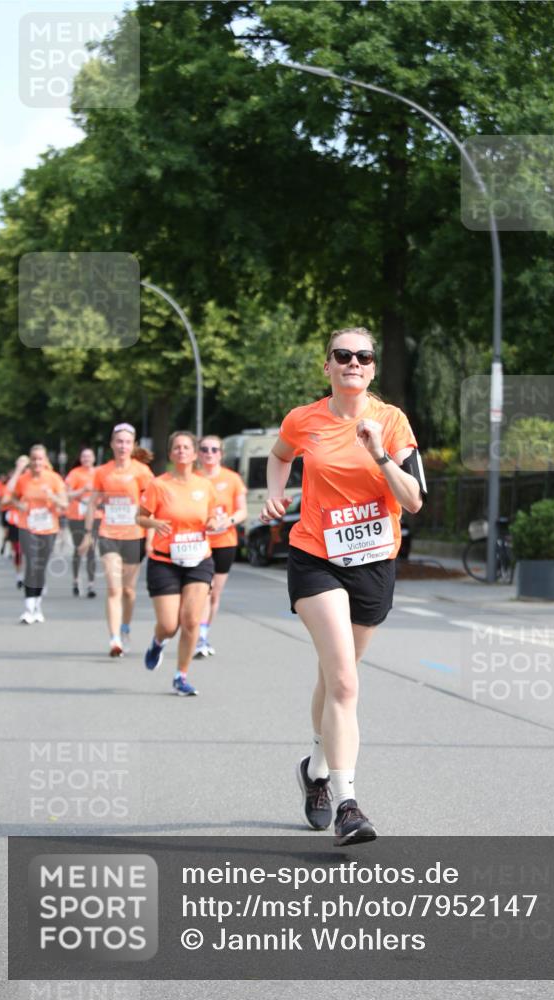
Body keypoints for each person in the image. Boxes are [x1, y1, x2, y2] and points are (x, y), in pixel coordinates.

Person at [260, 327, 425, 846]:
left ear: (373, 369)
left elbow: (415, 500)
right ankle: (346, 804)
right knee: (346, 683)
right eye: (343, 355)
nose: (354, 362)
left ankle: (313, 767)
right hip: (316, 557)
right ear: (327, 365)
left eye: (364, 356)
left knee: (337, 678)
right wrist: (274, 492)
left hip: (374, 561)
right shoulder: (303, 420)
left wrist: (379, 454)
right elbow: (280, 454)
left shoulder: (392, 422)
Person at [137, 431, 220, 696]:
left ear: (194, 454)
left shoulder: (204, 486)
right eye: (177, 448)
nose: (182, 451)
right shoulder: (159, 485)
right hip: (165, 561)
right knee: (169, 624)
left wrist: (213, 522)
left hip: (199, 559)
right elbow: (140, 517)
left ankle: (181, 676)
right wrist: (153, 523)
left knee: (191, 620)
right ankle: (158, 641)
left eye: (186, 447)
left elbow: (213, 515)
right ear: (171, 454)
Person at [79, 423, 153, 657]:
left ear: (133, 446)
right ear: (112, 444)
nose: (122, 446)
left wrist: (150, 539)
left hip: (134, 536)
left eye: (127, 442)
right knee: (113, 588)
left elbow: (152, 506)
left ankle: (125, 628)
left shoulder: (142, 472)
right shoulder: (102, 472)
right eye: (118, 441)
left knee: (129, 591)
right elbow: (92, 504)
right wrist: (88, 535)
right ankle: (114, 640)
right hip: (109, 535)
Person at [194, 435, 247, 657]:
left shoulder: (232, 478)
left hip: (225, 541)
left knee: (215, 593)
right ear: (198, 453)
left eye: (214, 449)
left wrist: (230, 521)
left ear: (221, 454)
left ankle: (204, 634)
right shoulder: (193, 478)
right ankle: (199, 637)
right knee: (203, 591)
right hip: (199, 542)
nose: (209, 453)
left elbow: (242, 511)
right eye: (204, 449)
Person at [5, 446, 68, 623]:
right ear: (30, 461)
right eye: (34, 459)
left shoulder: (54, 479)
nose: (37, 462)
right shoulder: (23, 480)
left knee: (40, 566)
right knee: (31, 563)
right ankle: (28, 607)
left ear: (45, 460)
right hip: (28, 526)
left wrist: (52, 497)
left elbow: (64, 504)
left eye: (40, 459)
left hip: (49, 528)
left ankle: (37, 604)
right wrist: (19, 504)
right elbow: (10, 496)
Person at [65, 448, 101, 598]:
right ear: (80, 458)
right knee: (79, 548)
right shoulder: (75, 473)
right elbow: (67, 494)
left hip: (95, 514)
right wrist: (81, 490)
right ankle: (75, 581)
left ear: (93, 458)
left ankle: (91, 585)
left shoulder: (99, 473)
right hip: (77, 515)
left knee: (92, 548)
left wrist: (96, 500)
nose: (86, 459)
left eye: (89, 456)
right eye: (84, 456)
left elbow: (105, 492)